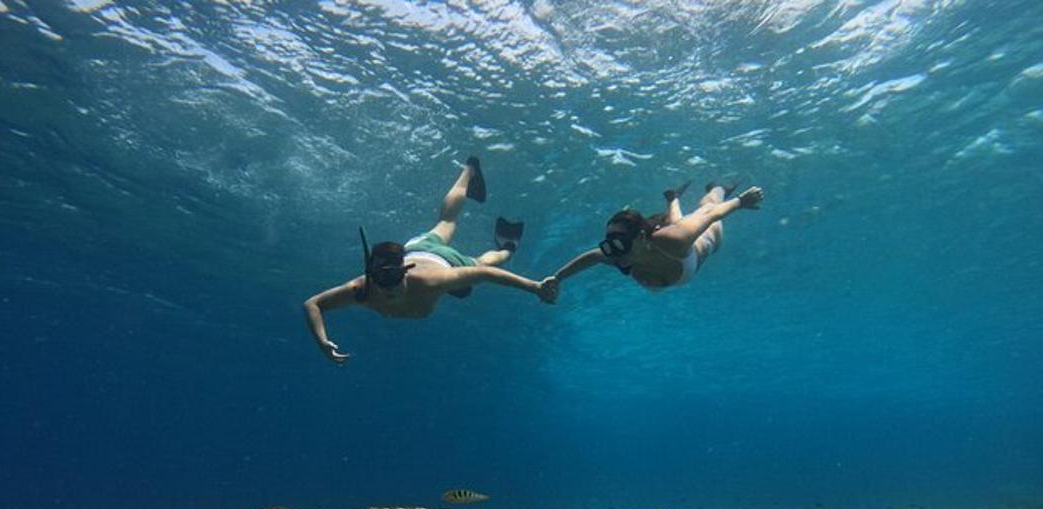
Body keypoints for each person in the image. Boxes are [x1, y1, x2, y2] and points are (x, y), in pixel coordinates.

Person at [303, 157, 555, 364]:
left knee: (481, 263)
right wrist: (322, 341)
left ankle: (507, 246)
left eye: (394, 281)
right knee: (445, 222)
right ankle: (469, 171)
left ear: (405, 271)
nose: (389, 290)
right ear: (373, 277)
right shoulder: (361, 288)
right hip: (416, 248)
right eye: (383, 282)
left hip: (441, 259)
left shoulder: (432, 280)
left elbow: (486, 276)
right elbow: (313, 304)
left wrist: (534, 287)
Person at [546, 182, 764, 295]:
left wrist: (740, 201)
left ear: (642, 238)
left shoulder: (674, 240)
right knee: (677, 223)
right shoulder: (619, 254)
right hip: (668, 241)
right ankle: (673, 199)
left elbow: (710, 215)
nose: (614, 251)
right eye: (609, 244)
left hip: (706, 240)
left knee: (706, 205)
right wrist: (557, 278)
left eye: (620, 242)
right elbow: (590, 257)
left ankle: (718, 187)